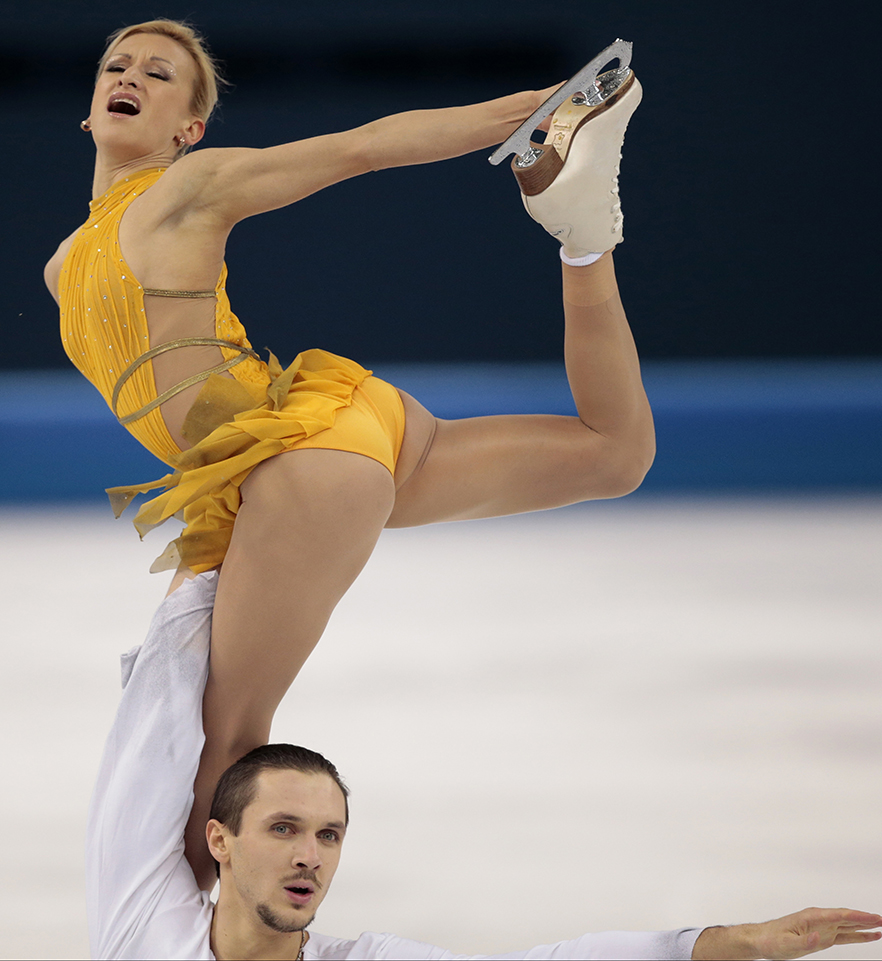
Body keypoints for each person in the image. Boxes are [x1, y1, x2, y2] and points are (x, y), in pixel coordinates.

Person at [47, 19, 655, 888]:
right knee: (613, 454)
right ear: (91, 106)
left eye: (160, 72)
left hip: (299, 455)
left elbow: (359, 148)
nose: (131, 75)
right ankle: (584, 233)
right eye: (117, 64)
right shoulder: (63, 265)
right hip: (342, 437)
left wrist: (532, 110)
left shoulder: (187, 187)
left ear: (190, 128)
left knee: (225, 740)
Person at [87, 570, 882, 960]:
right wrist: (213, 563)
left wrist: (728, 942)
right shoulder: (144, 926)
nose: (310, 853)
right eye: (285, 827)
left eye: (330, 834)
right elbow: (147, 750)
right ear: (219, 840)